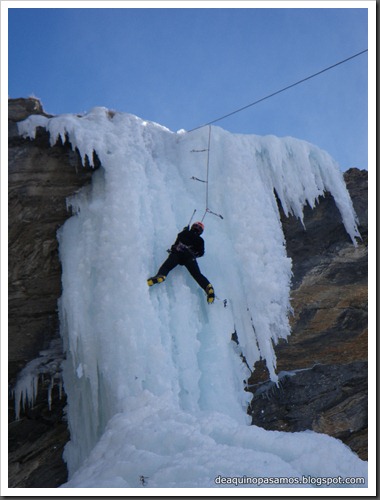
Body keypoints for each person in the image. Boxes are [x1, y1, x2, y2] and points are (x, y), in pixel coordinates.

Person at [147, 221, 215, 304]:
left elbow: (176, 243)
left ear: (192, 227)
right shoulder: (201, 240)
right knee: (197, 275)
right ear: (200, 232)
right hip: (189, 257)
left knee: (166, 267)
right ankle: (208, 287)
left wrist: (185, 230)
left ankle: (161, 276)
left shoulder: (184, 233)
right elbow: (201, 253)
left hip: (177, 253)